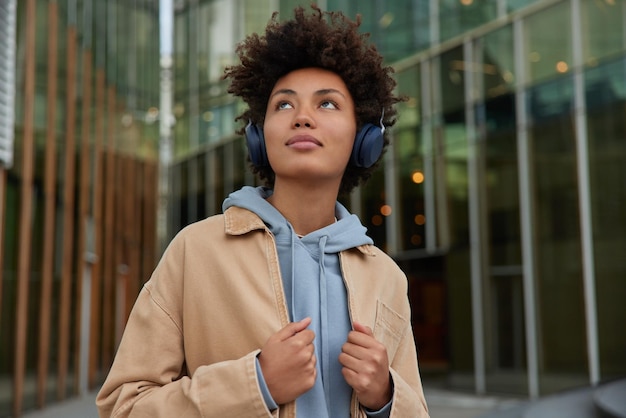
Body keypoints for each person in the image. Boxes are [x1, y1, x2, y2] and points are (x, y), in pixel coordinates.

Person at [96, 5, 430, 418]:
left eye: (327, 105)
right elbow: (122, 408)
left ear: (364, 139)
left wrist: (385, 398)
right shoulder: (195, 252)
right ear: (259, 136)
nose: (303, 118)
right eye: (284, 105)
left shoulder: (386, 277)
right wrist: (255, 384)